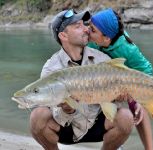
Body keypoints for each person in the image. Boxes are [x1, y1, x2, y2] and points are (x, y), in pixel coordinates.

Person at [29, 9, 134, 150]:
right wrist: (68, 110)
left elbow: (113, 104)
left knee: (126, 117)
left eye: (84, 24)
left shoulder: (103, 60)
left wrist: (120, 97)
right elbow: (54, 112)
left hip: (97, 124)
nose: (86, 29)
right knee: (37, 116)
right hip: (66, 127)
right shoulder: (51, 68)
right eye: (78, 26)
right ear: (63, 35)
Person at [88, 8, 153, 150]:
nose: (88, 31)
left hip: (125, 79)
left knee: (139, 106)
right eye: (89, 26)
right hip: (103, 80)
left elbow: (147, 71)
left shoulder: (128, 49)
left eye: (92, 30)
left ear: (106, 38)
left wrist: (136, 97)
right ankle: (117, 142)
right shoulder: (92, 40)